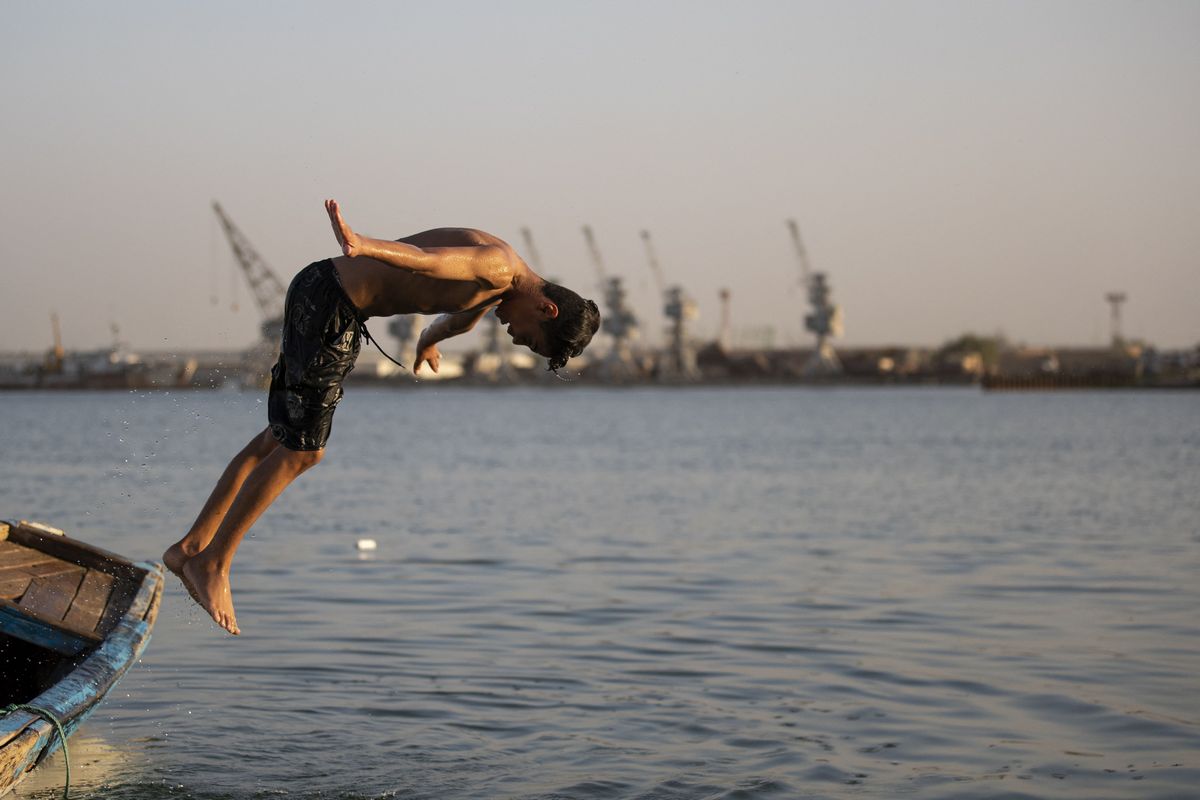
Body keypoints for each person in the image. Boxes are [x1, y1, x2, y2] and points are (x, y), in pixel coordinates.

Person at [164, 200, 600, 634]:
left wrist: (427, 342)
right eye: (531, 340)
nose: (516, 339)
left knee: (277, 441)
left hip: (325, 295)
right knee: (303, 453)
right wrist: (363, 244)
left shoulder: (499, 285)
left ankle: (190, 547)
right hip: (332, 304)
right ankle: (215, 563)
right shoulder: (499, 267)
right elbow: (428, 263)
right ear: (547, 310)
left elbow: (454, 323)